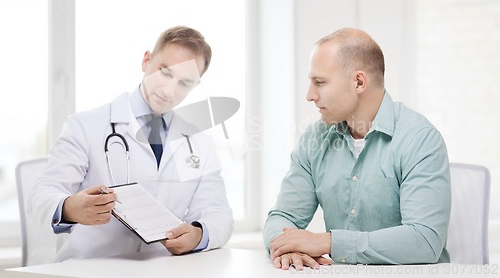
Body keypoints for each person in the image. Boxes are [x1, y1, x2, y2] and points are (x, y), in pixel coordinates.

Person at [28, 26, 233, 261]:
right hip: (90, 269)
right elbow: (40, 195)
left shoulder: (199, 143)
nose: (169, 90)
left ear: (196, 85)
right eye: (165, 72)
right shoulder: (86, 125)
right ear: (146, 61)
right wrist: (69, 208)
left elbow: (219, 214)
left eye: (185, 83)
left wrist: (198, 234)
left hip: (161, 270)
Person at [263, 28, 451, 270]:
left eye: (319, 82)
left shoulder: (419, 139)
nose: (309, 95)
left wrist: (327, 242)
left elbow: (424, 240)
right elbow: (282, 217)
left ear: (359, 82)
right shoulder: (314, 139)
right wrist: (287, 249)